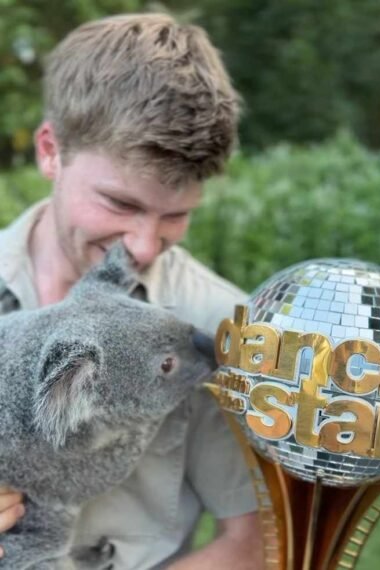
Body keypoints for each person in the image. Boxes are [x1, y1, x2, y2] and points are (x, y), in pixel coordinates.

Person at [0, 13, 264, 569]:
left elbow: (258, 540)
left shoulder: (221, 321)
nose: (144, 246)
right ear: (50, 151)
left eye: (177, 214)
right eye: (121, 204)